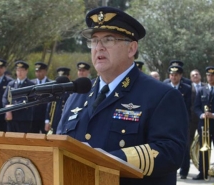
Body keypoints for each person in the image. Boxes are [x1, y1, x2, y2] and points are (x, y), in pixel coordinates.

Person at [56, 6, 188, 185]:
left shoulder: (161, 95)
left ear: (131, 48)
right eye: (94, 41)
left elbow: (171, 152)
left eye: (108, 40)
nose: (99, 47)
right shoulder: (78, 95)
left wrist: (105, 160)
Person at [164, 66, 191, 179]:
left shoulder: (187, 88)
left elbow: (189, 106)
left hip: (181, 120)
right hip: (166, 120)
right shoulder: (163, 86)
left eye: (176, 75)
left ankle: (184, 171)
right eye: (171, 74)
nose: (173, 77)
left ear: (180, 76)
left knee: (183, 145)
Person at [193, 66, 214, 180]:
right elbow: (195, 107)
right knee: (203, 148)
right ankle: (203, 172)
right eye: (208, 75)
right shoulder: (202, 90)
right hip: (204, 125)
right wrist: (202, 114)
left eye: (212, 75)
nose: (210, 77)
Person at [2, 60, 35, 133]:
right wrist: (7, 109)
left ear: (26, 71)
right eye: (18, 70)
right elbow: (5, 97)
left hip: (24, 118)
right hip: (11, 117)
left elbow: (29, 100)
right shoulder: (11, 84)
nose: (19, 72)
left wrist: (12, 107)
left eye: (22, 70)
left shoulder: (31, 85)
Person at [45, 67, 71, 134]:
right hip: (53, 124)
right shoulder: (55, 91)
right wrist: (47, 121)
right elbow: (49, 108)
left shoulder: (71, 93)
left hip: (65, 125)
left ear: (68, 77)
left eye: (63, 78)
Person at [31, 62, 51, 133]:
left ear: (45, 72)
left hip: (44, 116)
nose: (38, 73)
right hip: (33, 117)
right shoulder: (31, 83)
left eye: (40, 71)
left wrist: (48, 119)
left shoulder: (51, 84)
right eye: (36, 71)